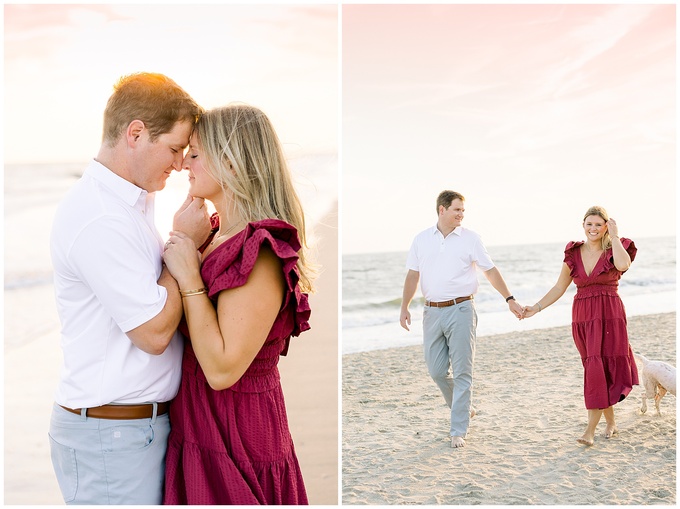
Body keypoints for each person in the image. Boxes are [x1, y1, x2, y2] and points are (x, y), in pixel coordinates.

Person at [49, 72, 210, 504]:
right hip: (111, 437)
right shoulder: (100, 217)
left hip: (126, 431)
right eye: (175, 148)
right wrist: (186, 247)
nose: (179, 164)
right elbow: (153, 333)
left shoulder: (130, 205)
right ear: (135, 133)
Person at [161, 103, 314, 504]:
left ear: (230, 163)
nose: (183, 164)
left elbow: (223, 369)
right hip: (199, 427)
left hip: (238, 437)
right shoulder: (212, 235)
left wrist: (190, 276)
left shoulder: (260, 250)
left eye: (194, 153)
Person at [399, 190, 524, 448]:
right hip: (431, 311)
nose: (461, 215)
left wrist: (509, 299)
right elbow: (413, 275)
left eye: (463, 211)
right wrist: (404, 306)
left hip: (462, 309)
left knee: (463, 371)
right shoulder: (421, 239)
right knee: (436, 370)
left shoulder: (471, 239)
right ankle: (465, 408)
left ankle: (458, 430)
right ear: (442, 209)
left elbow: (490, 271)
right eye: (457, 210)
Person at [522, 206, 638, 446]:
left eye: (598, 224)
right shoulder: (573, 253)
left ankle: (590, 430)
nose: (593, 229)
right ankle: (611, 422)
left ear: (606, 226)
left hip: (610, 314)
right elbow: (558, 287)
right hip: (583, 316)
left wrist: (615, 236)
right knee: (594, 366)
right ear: (583, 226)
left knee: (602, 366)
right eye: (589, 224)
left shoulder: (616, 248)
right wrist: (536, 307)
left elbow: (624, 265)